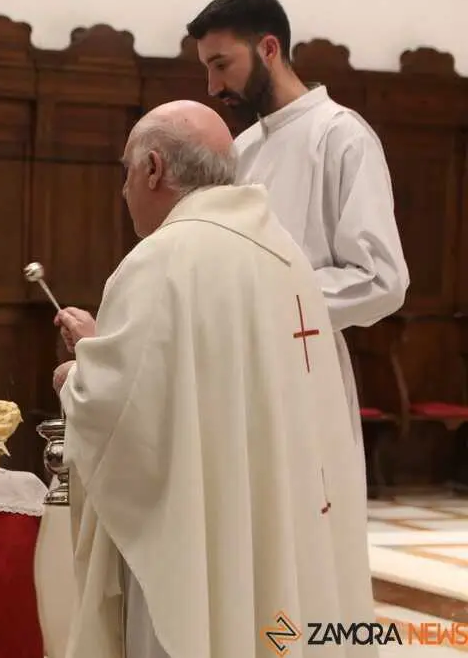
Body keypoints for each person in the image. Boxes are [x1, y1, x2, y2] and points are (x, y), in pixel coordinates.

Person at [52, 100, 378, 658]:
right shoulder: (286, 257)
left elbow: (127, 418)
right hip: (274, 514)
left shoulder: (161, 259)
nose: (125, 189)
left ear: (153, 168)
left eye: (126, 171)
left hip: (201, 531)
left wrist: (75, 374)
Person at [184, 0, 410, 470]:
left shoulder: (341, 137)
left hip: (305, 376)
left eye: (221, 64)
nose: (212, 87)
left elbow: (382, 279)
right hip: (238, 376)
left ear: (269, 48)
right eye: (207, 68)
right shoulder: (243, 149)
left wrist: (269, 301)